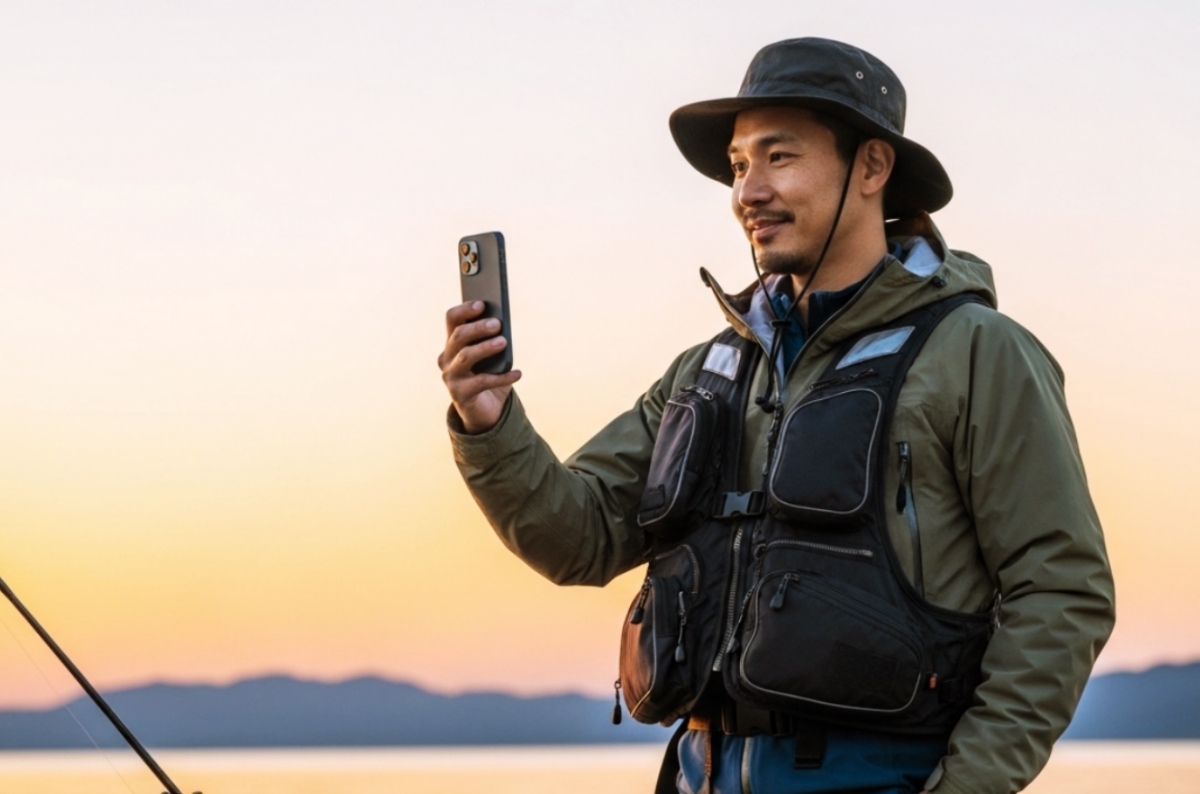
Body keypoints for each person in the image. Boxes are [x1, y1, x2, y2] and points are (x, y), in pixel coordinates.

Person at [438, 37, 1115, 794]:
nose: (747, 192)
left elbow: (1060, 590)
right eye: (737, 166)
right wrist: (489, 423)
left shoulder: (977, 353)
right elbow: (579, 538)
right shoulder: (707, 372)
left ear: (871, 167)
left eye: (779, 157)